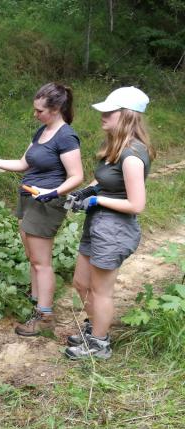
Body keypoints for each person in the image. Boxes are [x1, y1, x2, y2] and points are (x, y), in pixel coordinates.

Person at [0, 82, 83, 336]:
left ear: (56, 109)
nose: (35, 114)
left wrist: (53, 192)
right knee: (33, 259)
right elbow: (24, 163)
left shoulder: (66, 136)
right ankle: (36, 303)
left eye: (39, 110)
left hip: (46, 203)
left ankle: (44, 316)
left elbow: (76, 176)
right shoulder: (41, 131)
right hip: (28, 198)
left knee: (41, 262)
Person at [65, 86, 154, 360]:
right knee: (81, 283)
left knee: (100, 290)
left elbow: (137, 204)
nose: (102, 114)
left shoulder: (132, 156)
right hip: (98, 224)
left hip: (115, 229)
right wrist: (86, 192)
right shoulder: (114, 147)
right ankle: (95, 327)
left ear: (127, 115)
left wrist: (97, 201)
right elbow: (103, 180)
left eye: (109, 111)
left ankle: (99, 344)